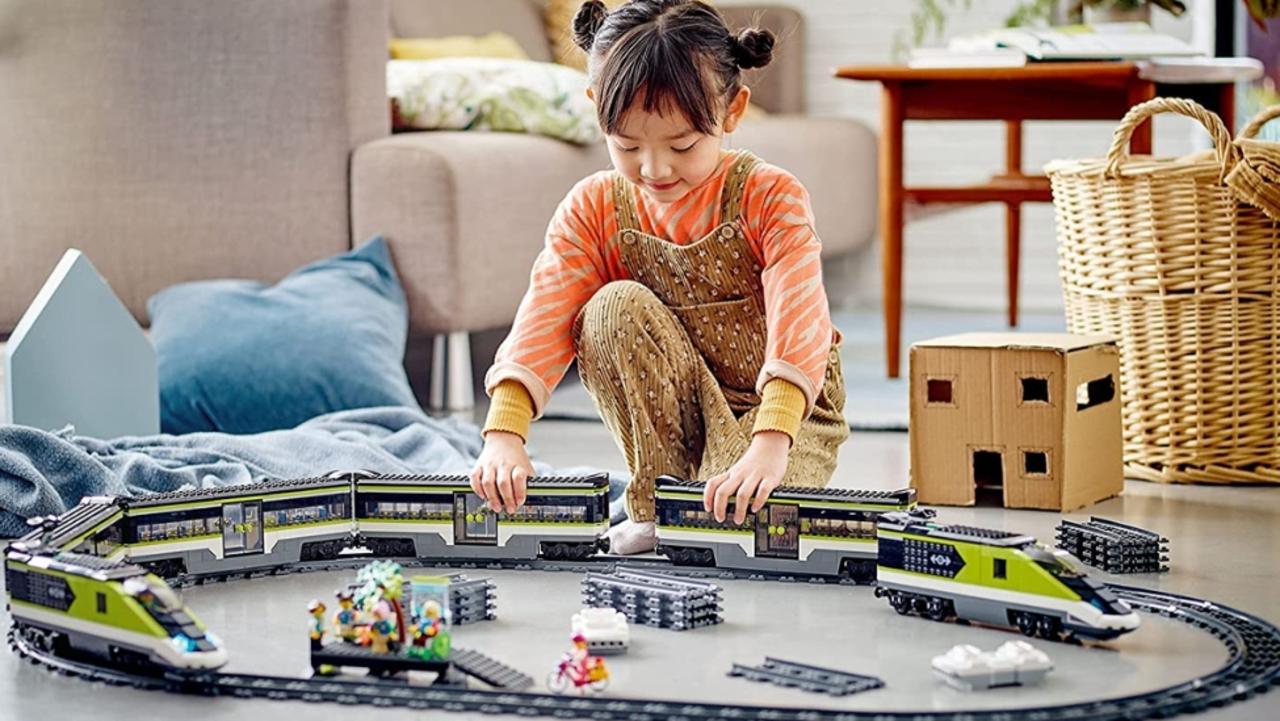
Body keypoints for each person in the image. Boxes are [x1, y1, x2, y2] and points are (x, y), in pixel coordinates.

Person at [471, 0, 848, 554]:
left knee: (749, 526)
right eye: (626, 146)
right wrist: (505, 433)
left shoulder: (771, 195)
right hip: (682, 407)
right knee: (611, 306)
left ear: (732, 111)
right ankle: (658, 501)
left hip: (788, 414)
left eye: (682, 146)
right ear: (596, 109)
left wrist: (770, 443)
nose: (654, 169)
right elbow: (544, 314)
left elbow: (802, 318)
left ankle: (703, 497)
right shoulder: (594, 206)